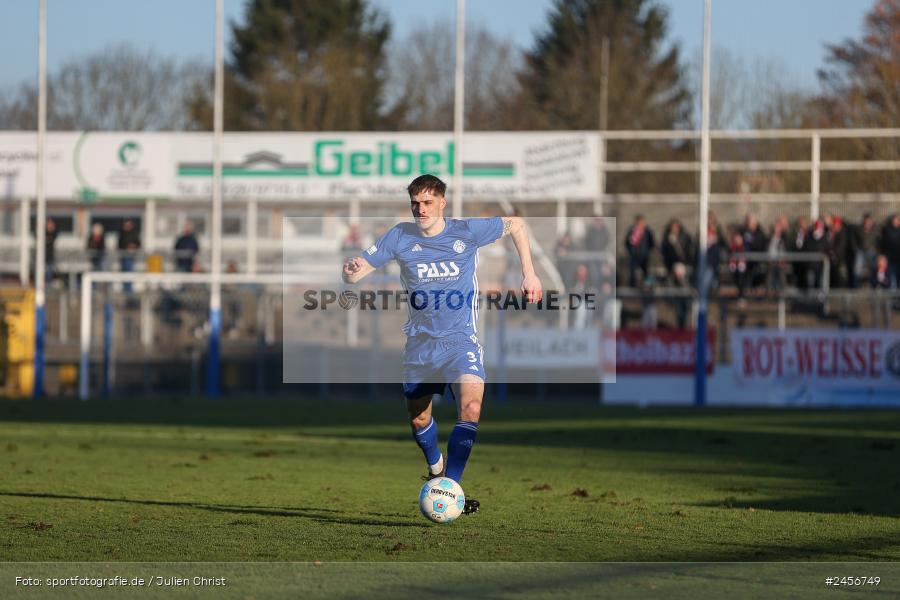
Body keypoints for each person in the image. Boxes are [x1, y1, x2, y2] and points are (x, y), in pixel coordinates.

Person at [341, 174, 542, 517]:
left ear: (442, 203)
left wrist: (529, 273)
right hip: (420, 346)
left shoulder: (466, 231)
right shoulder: (399, 236)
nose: (421, 210)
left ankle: (451, 487)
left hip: (460, 340)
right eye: (415, 204)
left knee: (472, 408)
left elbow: (517, 225)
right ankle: (436, 469)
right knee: (419, 420)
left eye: (427, 203)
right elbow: (356, 274)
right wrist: (351, 271)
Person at [624, 215, 655, 288]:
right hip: (634, 256)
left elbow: (652, 243)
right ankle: (632, 287)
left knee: (647, 271)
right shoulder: (632, 231)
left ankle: (649, 287)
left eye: (642, 222)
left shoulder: (647, 232)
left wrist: (648, 252)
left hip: (645, 256)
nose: (640, 224)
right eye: (639, 223)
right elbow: (628, 243)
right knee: (633, 272)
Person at [117, 219, 141, 292]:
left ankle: (129, 289)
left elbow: (138, 244)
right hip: (123, 257)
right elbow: (120, 245)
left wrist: (133, 247)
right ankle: (125, 289)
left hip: (130, 257)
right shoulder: (122, 233)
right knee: (124, 273)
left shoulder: (134, 234)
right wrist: (126, 247)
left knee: (129, 273)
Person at [44, 218, 58, 284]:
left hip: (50, 255)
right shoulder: (43, 233)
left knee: (49, 270)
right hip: (42, 255)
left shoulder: (54, 233)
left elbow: (53, 237)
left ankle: (48, 283)